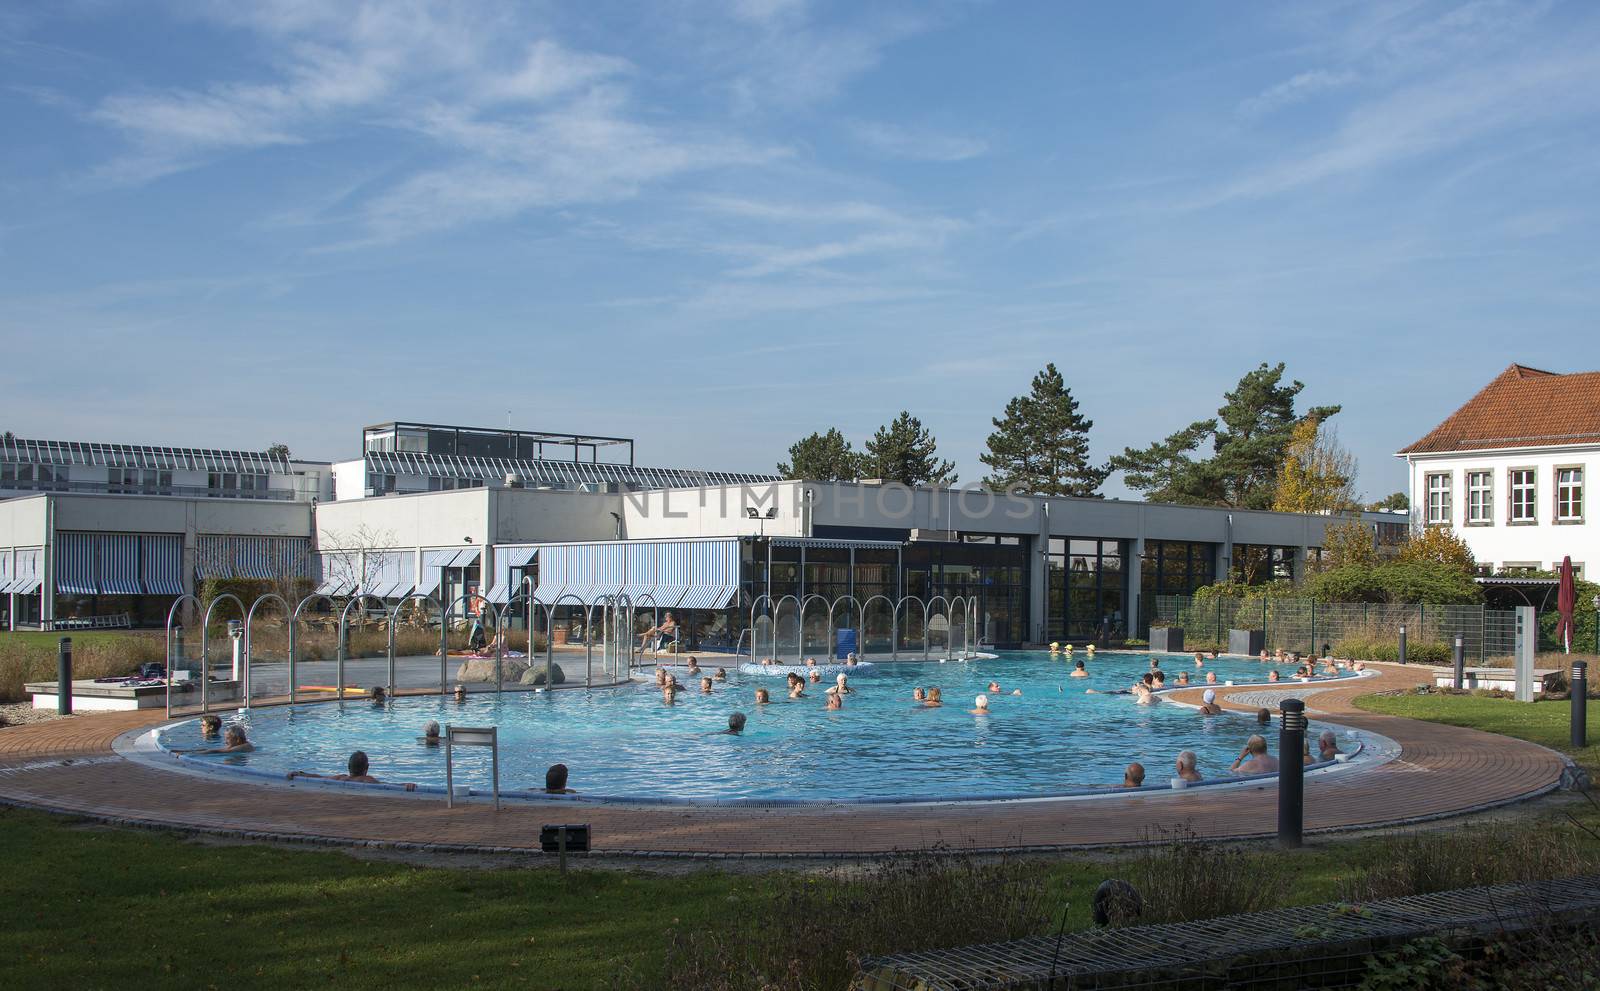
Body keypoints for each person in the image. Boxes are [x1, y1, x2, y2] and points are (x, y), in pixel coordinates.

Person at [287, 751, 415, 790]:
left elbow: (320, 777)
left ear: (348, 767)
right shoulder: (366, 780)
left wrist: (300, 773)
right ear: (367, 768)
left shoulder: (340, 778)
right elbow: (387, 786)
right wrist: (404, 785)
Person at [179, 724, 254, 755]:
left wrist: (190, 754)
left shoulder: (245, 746)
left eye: (228, 739)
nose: (225, 742)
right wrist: (185, 751)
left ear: (237, 739)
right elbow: (216, 750)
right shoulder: (240, 745)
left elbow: (217, 751)